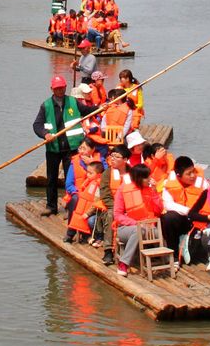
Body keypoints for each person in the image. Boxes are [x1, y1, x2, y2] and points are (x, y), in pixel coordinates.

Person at [31, 75, 98, 216]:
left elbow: (88, 111)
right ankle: (51, 206)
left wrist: (101, 108)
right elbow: (37, 125)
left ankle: (70, 207)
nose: (60, 91)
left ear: (65, 87)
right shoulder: (46, 105)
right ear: (52, 89)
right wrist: (45, 134)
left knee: (71, 178)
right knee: (51, 178)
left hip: (72, 147)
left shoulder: (73, 102)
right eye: (57, 88)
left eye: (61, 88)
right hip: (54, 148)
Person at [113, 164, 164, 277]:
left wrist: (155, 192)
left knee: (160, 229)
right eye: (147, 178)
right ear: (138, 178)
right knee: (138, 231)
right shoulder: (123, 189)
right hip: (126, 228)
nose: (149, 179)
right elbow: (117, 215)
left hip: (149, 227)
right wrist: (136, 224)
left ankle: (164, 260)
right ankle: (124, 263)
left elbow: (159, 210)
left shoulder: (150, 190)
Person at [97, 146, 130, 265]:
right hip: (112, 207)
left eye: (117, 156)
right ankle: (108, 250)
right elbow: (105, 194)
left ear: (125, 160)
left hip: (130, 207)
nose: (113, 159)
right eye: (112, 156)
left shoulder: (132, 173)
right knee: (111, 215)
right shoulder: (107, 173)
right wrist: (117, 208)